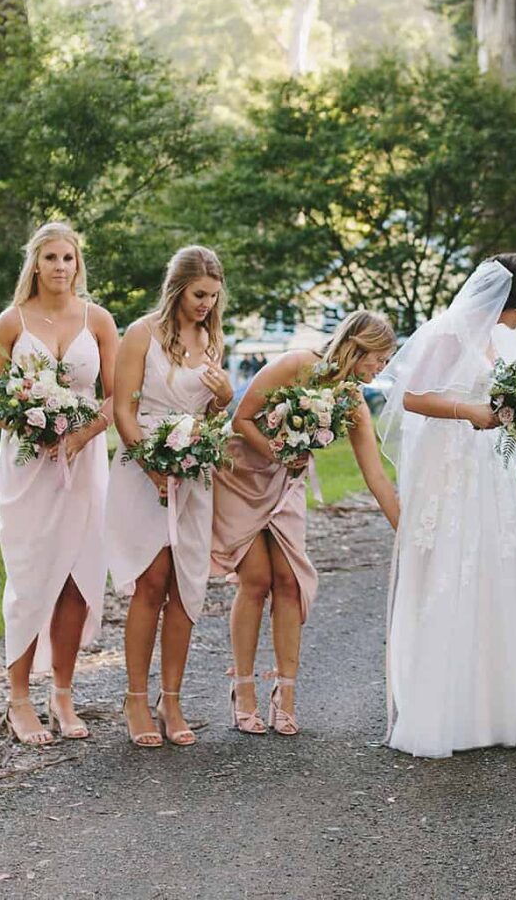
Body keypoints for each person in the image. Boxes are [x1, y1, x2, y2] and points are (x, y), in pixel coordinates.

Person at [377, 254, 516, 757]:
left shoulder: (505, 337)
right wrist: (470, 411)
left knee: (497, 570)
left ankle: (502, 703)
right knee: (453, 570)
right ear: (506, 300)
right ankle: (448, 708)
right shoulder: (449, 333)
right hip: (451, 467)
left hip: (488, 470)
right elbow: (412, 397)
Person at [212, 311, 400, 736]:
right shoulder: (297, 364)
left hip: (287, 485)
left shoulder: (350, 401)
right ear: (358, 347)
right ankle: (243, 689)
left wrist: (406, 533)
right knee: (256, 579)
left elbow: (375, 477)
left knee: (290, 581)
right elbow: (240, 418)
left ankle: (287, 693)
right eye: (379, 359)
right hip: (241, 475)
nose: (380, 369)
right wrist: (277, 450)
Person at [0, 222, 119, 746]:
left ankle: (62, 691)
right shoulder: (10, 322)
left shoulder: (100, 320)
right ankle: (18, 698)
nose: (61, 267)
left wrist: (83, 434)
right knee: (30, 577)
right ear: (34, 265)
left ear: (77, 264)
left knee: (78, 579)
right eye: (51, 258)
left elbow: (116, 396)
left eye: (69, 258)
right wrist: (27, 426)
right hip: (26, 466)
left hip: (84, 465)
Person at [105, 246, 235, 748]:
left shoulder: (212, 339)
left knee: (186, 585)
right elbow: (122, 409)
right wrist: (150, 464)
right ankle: (135, 698)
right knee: (152, 580)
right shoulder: (141, 335)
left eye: (213, 296)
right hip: (145, 464)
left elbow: (213, 416)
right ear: (178, 287)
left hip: (194, 470)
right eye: (199, 294)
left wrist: (224, 397)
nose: (205, 304)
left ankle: (172, 698)